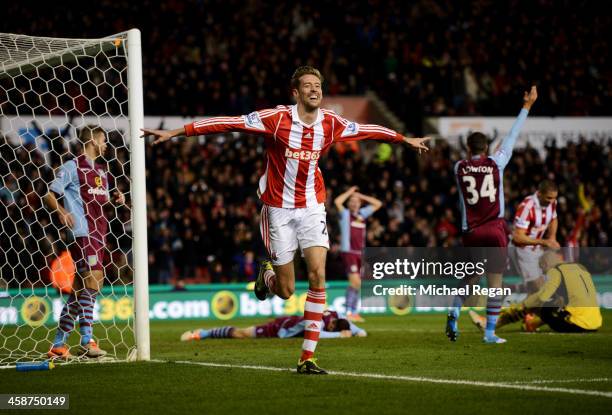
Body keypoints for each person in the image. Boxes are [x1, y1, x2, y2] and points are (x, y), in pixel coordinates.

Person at [142, 66, 429, 374]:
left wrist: (403, 139)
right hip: (277, 210)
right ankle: (267, 277)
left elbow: (367, 129)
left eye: (317, 85)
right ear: (296, 93)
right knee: (286, 290)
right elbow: (228, 124)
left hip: (312, 207)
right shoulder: (276, 119)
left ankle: (307, 357)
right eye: (307, 85)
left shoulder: (330, 123)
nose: (314, 90)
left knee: (318, 275)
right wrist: (176, 131)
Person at [447, 86, 538, 344]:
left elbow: (472, 164)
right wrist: (527, 106)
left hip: (472, 233)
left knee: (472, 276)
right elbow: (512, 136)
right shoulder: (496, 163)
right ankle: (489, 333)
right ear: (486, 147)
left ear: (467, 149)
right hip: (495, 229)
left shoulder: (459, 167)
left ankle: (455, 308)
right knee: (495, 282)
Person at [44, 125, 125, 359]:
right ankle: (87, 340)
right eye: (103, 140)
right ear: (92, 141)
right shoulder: (72, 167)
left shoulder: (102, 172)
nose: (106, 145)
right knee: (94, 279)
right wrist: (61, 211)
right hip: (83, 231)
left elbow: (103, 201)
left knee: (82, 289)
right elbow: (50, 193)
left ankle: (58, 345)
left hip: (100, 232)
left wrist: (116, 199)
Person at [469, 251, 602, 333]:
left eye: (542, 269)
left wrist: (519, 307)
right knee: (553, 304)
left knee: (539, 303)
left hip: (576, 323)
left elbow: (542, 297)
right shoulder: (580, 267)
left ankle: (491, 323)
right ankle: (531, 324)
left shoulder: (556, 270)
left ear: (545, 264)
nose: (543, 273)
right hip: (595, 322)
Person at [334, 186, 382, 322]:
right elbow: (338, 201)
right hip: (349, 252)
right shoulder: (345, 215)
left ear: (360, 203)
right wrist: (349, 192)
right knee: (355, 281)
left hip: (360, 253)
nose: (354, 203)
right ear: (348, 203)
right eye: (351, 201)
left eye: (356, 201)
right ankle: (349, 311)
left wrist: (361, 195)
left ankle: (352, 312)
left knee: (357, 283)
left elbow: (378, 204)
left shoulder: (362, 214)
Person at [180, 310, 367, 342]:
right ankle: (203, 333)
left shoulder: (337, 316)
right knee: (242, 334)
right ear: (332, 324)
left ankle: (204, 333)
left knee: (243, 334)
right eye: (332, 329)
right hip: (280, 329)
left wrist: (360, 332)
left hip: (289, 321)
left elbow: (352, 325)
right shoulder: (319, 323)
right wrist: (339, 336)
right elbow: (315, 335)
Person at [510, 180, 560, 293]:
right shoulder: (527, 207)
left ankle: (511, 289)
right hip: (523, 249)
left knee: (548, 284)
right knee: (539, 288)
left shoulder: (552, 203)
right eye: (548, 198)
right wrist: (544, 242)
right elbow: (518, 237)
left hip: (539, 249)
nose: (552, 201)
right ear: (539, 193)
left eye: (554, 198)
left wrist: (552, 237)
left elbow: (553, 218)